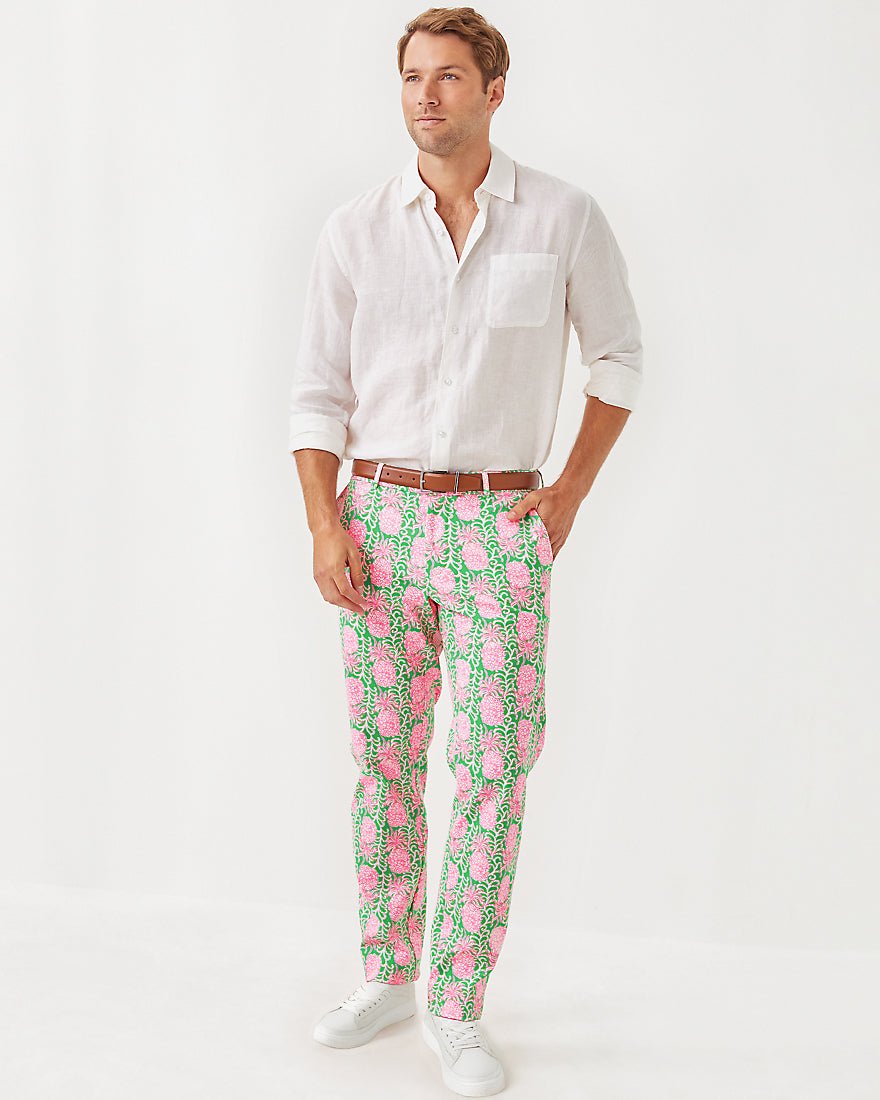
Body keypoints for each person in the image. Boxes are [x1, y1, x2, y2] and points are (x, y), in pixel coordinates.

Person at [288, 8, 643, 1096]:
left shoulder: (563, 217)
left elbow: (620, 358)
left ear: (494, 90)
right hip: (379, 519)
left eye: (448, 76)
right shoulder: (355, 230)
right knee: (384, 758)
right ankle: (388, 973)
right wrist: (324, 522)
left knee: (494, 763)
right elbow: (317, 392)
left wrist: (568, 492)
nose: (426, 95)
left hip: (500, 522)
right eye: (411, 77)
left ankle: (456, 999)